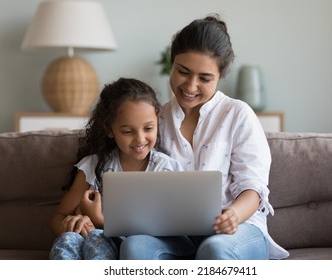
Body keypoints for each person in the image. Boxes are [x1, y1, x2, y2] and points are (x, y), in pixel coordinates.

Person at [119, 15, 289, 260]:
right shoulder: (155, 120)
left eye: (204, 78)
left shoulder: (238, 115)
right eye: (183, 72)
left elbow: (253, 188)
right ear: (172, 64)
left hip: (239, 229)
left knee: (215, 249)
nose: (190, 86)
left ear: (220, 77)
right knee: (134, 247)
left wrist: (234, 216)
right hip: (177, 234)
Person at [49, 77, 182, 260]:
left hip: (134, 248)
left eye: (148, 128)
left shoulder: (166, 169)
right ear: (109, 130)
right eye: (128, 132)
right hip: (90, 238)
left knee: (95, 237)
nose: (140, 139)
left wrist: (100, 221)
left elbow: (167, 228)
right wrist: (73, 224)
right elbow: (58, 218)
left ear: (157, 121)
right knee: (68, 240)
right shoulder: (94, 166)